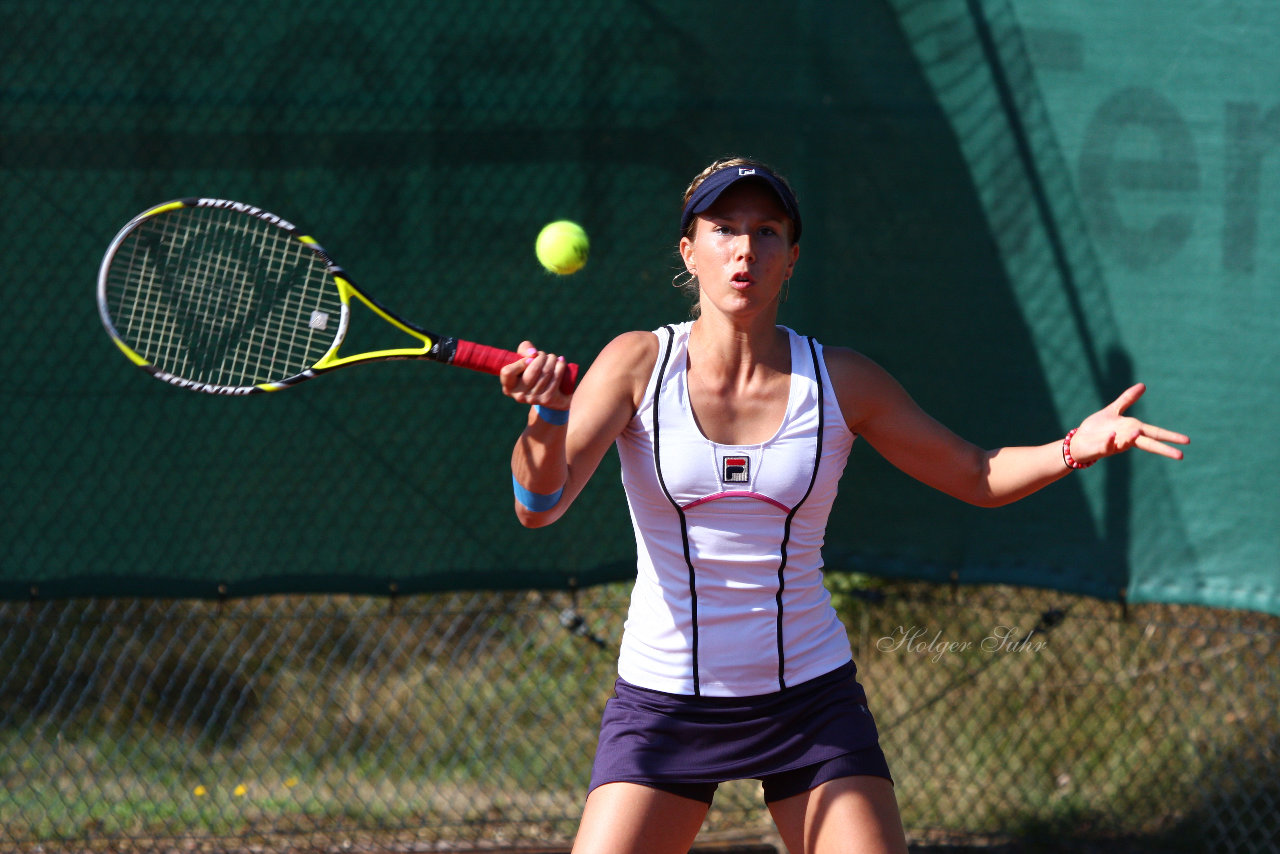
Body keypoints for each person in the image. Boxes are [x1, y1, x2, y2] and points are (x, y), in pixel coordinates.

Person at [498, 157, 1189, 854]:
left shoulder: (840, 381)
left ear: (792, 258)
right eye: (724, 229)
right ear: (689, 251)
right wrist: (546, 418)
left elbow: (977, 474)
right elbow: (539, 503)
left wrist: (1078, 445)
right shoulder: (635, 364)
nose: (745, 250)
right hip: (665, 703)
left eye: (767, 232)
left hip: (808, 701)